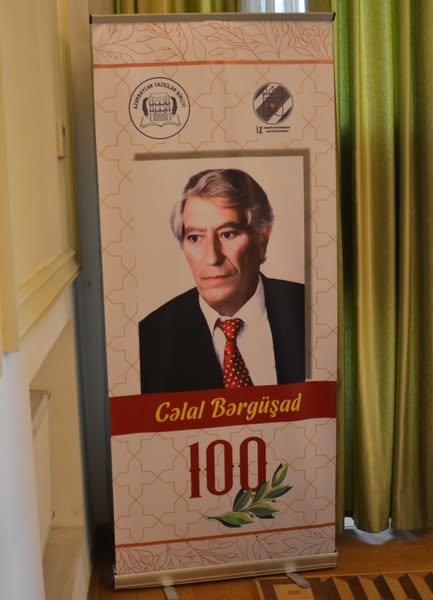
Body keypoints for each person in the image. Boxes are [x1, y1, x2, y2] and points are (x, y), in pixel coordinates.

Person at [139, 168, 305, 393]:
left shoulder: (308, 307)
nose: (212, 257)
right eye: (195, 238)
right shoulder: (149, 337)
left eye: (228, 234)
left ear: (262, 241)